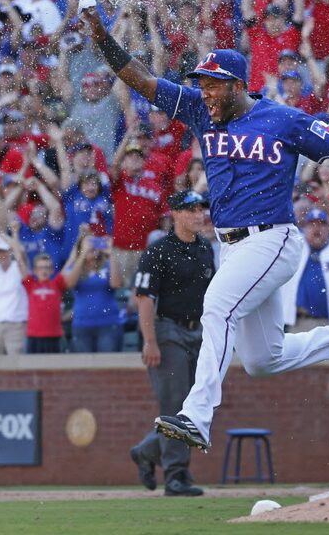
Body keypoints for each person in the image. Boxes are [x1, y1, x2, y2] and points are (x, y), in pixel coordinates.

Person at [79, 3, 329, 450]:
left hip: (273, 239)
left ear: (237, 85)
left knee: (217, 307)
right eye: (201, 85)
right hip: (231, 245)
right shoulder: (200, 111)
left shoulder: (282, 119)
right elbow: (140, 79)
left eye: (212, 85)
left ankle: (196, 415)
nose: (204, 93)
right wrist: (100, 34)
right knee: (264, 358)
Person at [129, 190, 215, 497]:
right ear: (175, 214)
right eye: (190, 210)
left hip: (199, 331)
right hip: (168, 330)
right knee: (176, 405)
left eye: (200, 209)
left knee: (194, 407)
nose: (198, 215)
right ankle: (176, 476)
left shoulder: (206, 248)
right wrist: (150, 341)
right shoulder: (158, 250)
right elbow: (144, 299)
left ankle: (147, 451)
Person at [62, 232, 123, 353]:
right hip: (82, 324)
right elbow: (69, 284)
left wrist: (111, 254)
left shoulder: (107, 265)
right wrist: (83, 254)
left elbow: (116, 284)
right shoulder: (75, 267)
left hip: (108, 323)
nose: (92, 248)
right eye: (89, 244)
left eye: (94, 243)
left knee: (107, 365)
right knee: (84, 368)